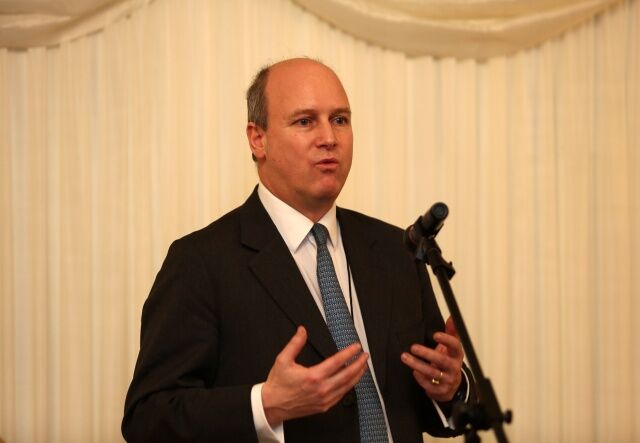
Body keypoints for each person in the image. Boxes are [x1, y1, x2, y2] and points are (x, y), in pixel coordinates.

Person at [122, 58, 476, 442]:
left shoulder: (398, 249)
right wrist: (266, 405)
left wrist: (451, 387)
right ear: (258, 139)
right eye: (305, 121)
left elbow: (431, 396)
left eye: (339, 119)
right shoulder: (201, 262)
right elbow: (149, 418)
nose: (329, 137)